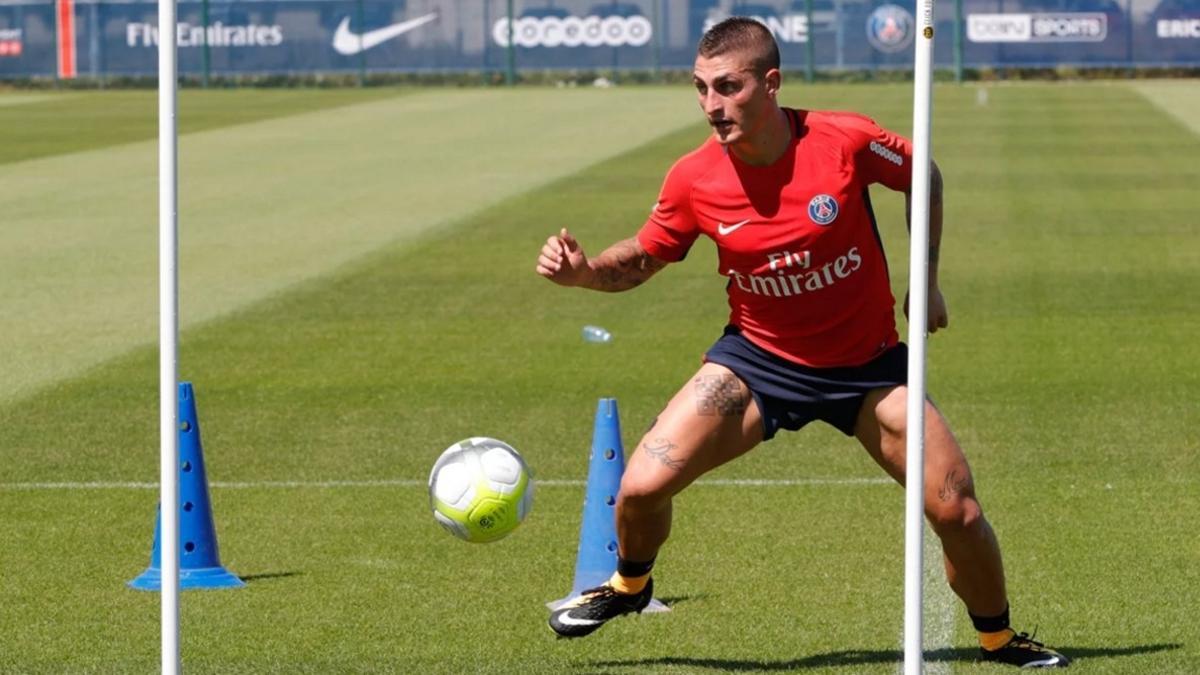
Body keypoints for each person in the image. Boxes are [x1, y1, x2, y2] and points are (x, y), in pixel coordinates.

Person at [535, 17, 1068, 669]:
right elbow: (645, 255)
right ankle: (627, 586)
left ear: (771, 83)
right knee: (642, 486)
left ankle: (999, 638)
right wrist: (585, 273)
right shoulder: (694, 177)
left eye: (727, 87)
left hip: (868, 367)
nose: (711, 105)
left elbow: (922, 174)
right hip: (757, 364)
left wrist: (924, 280)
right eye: (700, 88)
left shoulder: (844, 139)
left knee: (955, 507)